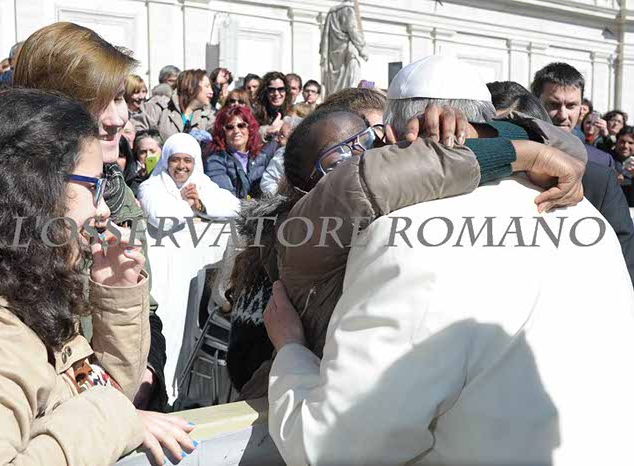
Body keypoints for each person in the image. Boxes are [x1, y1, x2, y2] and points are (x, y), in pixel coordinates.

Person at [264, 58, 634, 466]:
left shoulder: (404, 237)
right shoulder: (583, 212)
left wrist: (291, 351)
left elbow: (336, 448)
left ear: (392, 137)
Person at [227, 57, 588, 398]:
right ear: (303, 185)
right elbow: (367, 180)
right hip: (296, 406)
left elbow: (570, 146)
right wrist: (518, 151)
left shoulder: (401, 205)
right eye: (338, 154)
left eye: (368, 140)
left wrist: (474, 130)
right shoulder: (302, 226)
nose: (361, 155)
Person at [0, 89, 196, 466]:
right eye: (92, 187)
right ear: (36, 191)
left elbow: (95, 392)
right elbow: (104, 411)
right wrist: (113, 418)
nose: (102, 209)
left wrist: (116, 300)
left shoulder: (27, 302)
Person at [14, 22, 171, 415]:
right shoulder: (8, 200)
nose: (117, 118)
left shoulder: (117, 192)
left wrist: (148, 375)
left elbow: (146, 311)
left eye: (120, 98)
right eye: (98, 101)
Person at [487, 80, 634, 287]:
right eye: (495, 135)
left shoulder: (596, 180)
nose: (514, 150)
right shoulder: (460, 176)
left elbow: (623, 268)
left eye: (520, 135)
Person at [138, 133, 240, 231]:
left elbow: (237, 208)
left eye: (187, 160)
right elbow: (162, 221)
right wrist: (187, 204)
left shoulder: (202, 182)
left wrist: (200, 207)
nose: (181, 166)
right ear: (166, 162)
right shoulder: (149, 187)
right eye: (175, 160)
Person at [531, 62, 615, 168]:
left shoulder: (601, 162)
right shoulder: (514, 152)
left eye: (571, 105)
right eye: (554, 105)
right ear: (535, 103)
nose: (563, 115)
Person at [205, 105, 274, 199]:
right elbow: (226, 198)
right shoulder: (215, 161)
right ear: (222, 132)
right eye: (229, 127)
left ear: (250, 129)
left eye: (241, 125)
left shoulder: (261, 156)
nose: (236, 131)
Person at [133, 69, 216, 142]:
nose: (211, 92)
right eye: (207, 86)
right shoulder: (159, 107)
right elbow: (136, 130)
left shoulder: (209, 117)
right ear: (191, 87)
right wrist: (155, 143)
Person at [320, 0, 368, 95]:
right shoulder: (349, 9)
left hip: (333, 52)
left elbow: (325, 34)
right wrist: (362, 49)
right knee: (351, 79)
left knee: (334, 84)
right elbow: (353, 30)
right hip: (347, 52)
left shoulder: (332, 12)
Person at [260, 115, 303, 194]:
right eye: (278, 134)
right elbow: (267, 182)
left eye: (282, 136)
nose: (276, 139)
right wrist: (280, 198)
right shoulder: (281, 154)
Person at [253, 71, 292, 142]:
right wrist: (267, 130)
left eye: (281, 89)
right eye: (271, 90)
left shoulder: (293, 113)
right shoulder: (255, 114)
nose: (276, 93)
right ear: (265, 92)